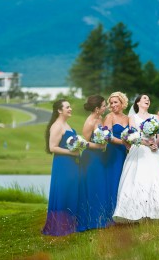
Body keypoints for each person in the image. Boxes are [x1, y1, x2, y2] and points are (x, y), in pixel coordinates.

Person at [112, 94, 159, 223]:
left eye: (149, 99)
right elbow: (133, 135)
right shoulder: (133, 117)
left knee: (157, 179)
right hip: (139, 150)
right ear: (137, 103)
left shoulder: (155, 117)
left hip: (154, 151)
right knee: (139, 179)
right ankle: (138, 212)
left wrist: (156, 144)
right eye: (144, 99)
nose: (147, 100)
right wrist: (146, 143)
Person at [42, 99, 82, 236]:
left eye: (70, 107)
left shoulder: (66, 124)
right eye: (67, 107)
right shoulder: (57, 125)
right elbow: (53, 147)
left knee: (71, 191)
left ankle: (71, 224)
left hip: (72, 164)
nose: (70, 109)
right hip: (63, 163)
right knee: (63, 191)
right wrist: (72, 152)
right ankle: (59, 226)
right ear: (60, 110)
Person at [76, 95, 110, 231]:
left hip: (101, 157)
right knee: (92, 186)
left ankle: (102, 218)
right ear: (97, 109)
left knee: (101, 185)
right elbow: (85, 143)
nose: (105, 107)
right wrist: (100, 146)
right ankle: (91, 221)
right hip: (90, 158)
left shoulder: (100, 118)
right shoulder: (89, 122)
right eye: (103, 105)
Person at [102, 91, 129, 220]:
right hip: (113, 153)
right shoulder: (109, 117)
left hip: (125, 154)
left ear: (122, 103)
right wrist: (124, 143)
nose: (112, 105)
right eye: (111, 103)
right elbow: (107, 137)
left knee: (123, 181)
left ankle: (122, 213)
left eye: (115, 102)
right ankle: (109, 214)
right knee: (113, 180)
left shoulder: (127, 117)